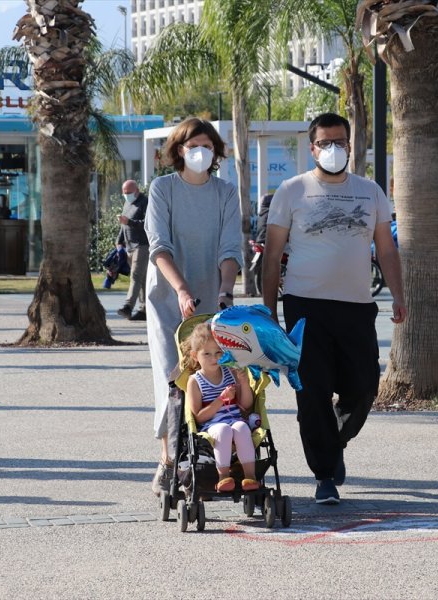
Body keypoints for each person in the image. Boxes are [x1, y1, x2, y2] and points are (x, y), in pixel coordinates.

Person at [262, 112, 407, 505]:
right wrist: (268, 312)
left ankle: (336, 436)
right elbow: (273, 257)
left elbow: (387, 248)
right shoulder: (292, 191)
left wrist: (398, 294)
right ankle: (324, 474)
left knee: (363, 388)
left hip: (357, 306)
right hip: (304, 305)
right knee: (312, 392)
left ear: (350, 145)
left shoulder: (371, 191)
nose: (333, 149)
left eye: (339, 141)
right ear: (312, 149)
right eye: (325, 142)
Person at [144, 118, 242, 496]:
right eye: (192, 145)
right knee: (173, 378)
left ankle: (216, 458)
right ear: (178, 150)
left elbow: (230, 247)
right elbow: (159, 246)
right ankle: (168, 460)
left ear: (216, 151)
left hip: (212, 300)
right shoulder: (163, 189)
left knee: (215, 376)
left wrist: (226, 290)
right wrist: (182, 290)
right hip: (170, 300)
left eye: (207, 145)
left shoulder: (225, 192)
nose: (200, 151)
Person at [184, 322, 259, 493]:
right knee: (224, 430)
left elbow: (246, 405)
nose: (214, 358)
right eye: (207, 354)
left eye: (218, 352)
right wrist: (221, 399)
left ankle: (250, 477)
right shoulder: (195, 381)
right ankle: (223, 477)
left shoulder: (229, 372)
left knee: (241, 427)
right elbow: (198, 417)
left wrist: (244, 383)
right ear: (195, 356)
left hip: (235, 419)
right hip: (211, 425)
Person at [116, 180, 150, 320]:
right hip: (129, 246)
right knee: (142, 279)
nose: (126, 195)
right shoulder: (127, 203)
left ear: (136, 191)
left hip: (142, 245)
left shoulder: (145, 202)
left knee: (135, 276)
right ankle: (144, 310)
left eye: (128, 192)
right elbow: (123, 225)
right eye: (124, 193)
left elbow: (147, 223)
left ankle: (128, 307)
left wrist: (129, 222)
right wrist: (119, 241)